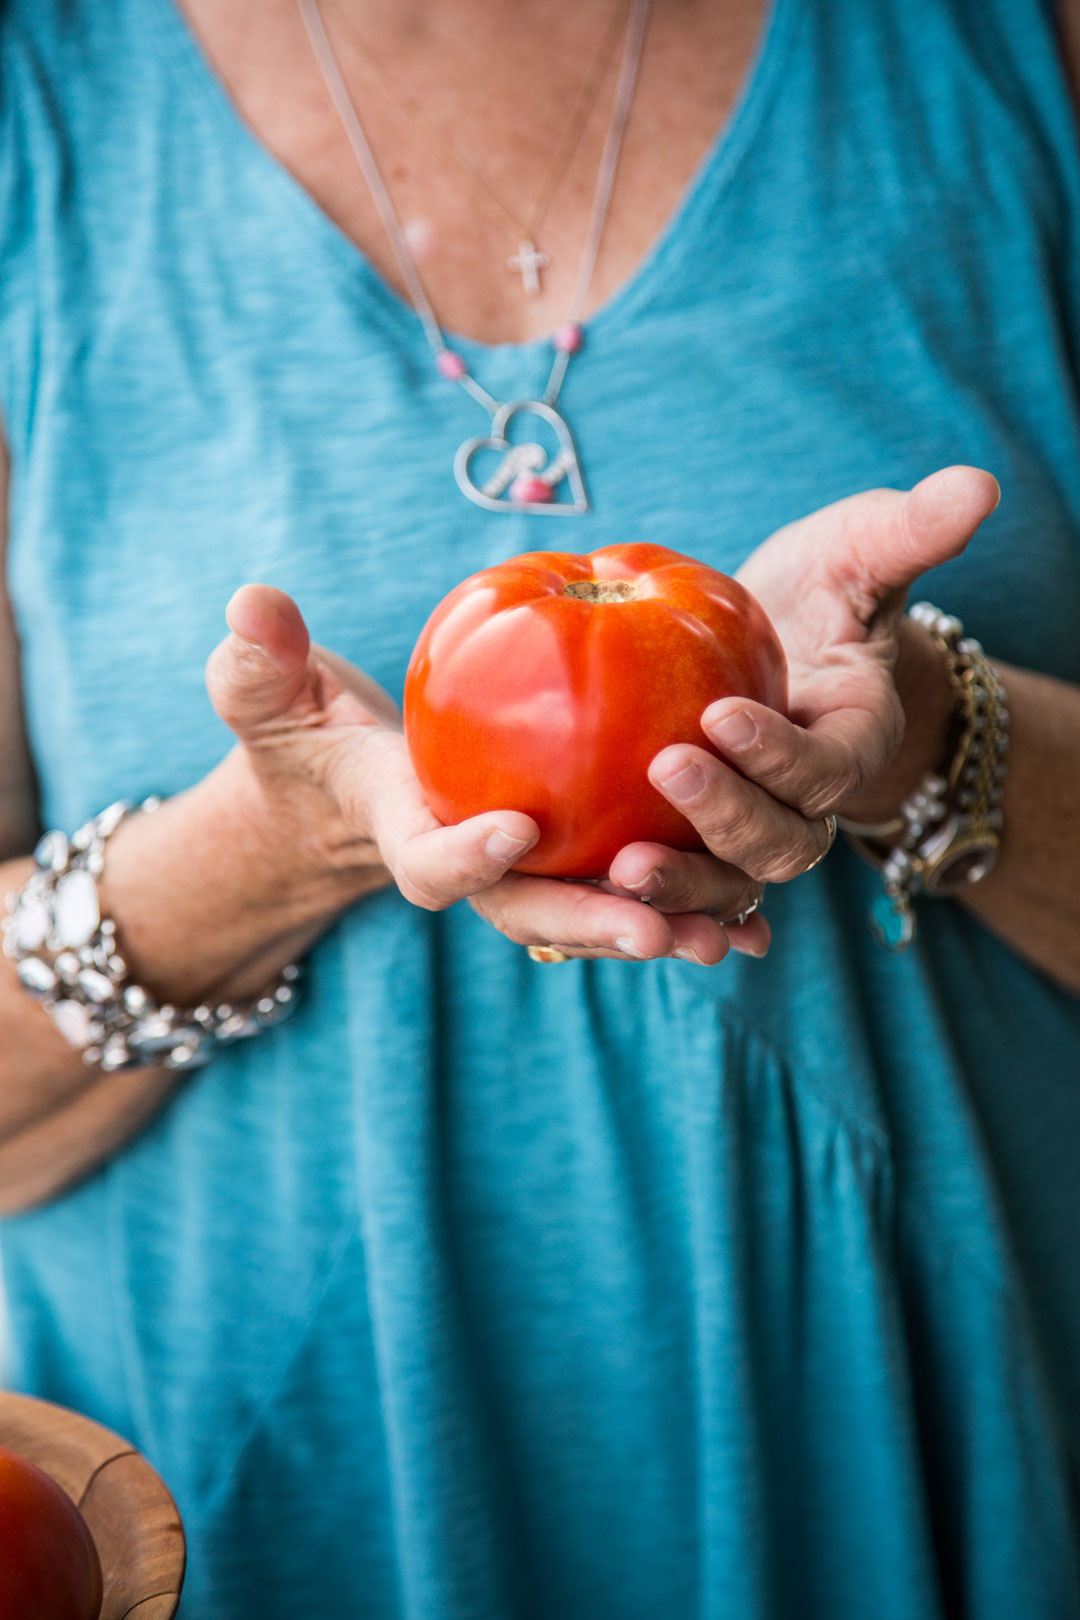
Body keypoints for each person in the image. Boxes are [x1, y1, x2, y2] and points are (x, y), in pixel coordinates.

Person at [1, 0, 1079, 1614]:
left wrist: (922, 728)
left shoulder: (1019, 47)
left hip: (949, 1443)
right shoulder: (37, 99)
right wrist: (265, 853)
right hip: (269, 1491)